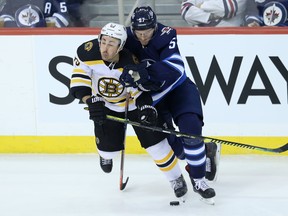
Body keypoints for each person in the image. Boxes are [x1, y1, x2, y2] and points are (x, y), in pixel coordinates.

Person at [70, 22, 188, 200]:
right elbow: (79, 81)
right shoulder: (86, 52)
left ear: (121, 46)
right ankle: (105, 155)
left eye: (111, 44)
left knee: (157, 145)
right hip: (105, 105)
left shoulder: (130, 62)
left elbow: (140, 93)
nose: (105, 48)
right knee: (108, 150)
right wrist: (91, 101)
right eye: (103, 41)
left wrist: (145, 108)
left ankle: (176, 178)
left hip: (130, 104)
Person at [120, 6, 219, 203]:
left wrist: (142, 74)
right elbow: (108, 49)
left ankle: (199, 180)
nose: (142, 38)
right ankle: (207, 151)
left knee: (191, 131)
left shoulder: (166, 34)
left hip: (178, 89)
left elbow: (175, 67)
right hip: (153, 97)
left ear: (154, 27)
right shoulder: (127, 38)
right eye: (138, 33)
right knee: (177, 148)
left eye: (146, 33)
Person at [0, 0, 70, 27]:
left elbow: (63, 17)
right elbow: (4, 16)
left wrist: (43, 24)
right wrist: (13, 25)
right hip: (17, 41)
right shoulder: (12, 1)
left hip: (46, 40)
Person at [181, 0, 248, 27]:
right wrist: (212, 15)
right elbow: (186, 12)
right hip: (201, 42)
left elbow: (229, 9)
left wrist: (201, 6)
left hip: (230, 42)